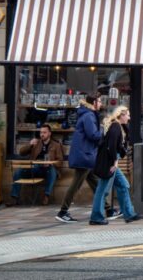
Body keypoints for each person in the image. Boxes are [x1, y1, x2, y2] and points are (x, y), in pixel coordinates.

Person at [55, 95, 116, 223]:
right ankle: (63, 211)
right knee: (75, 185)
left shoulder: (88, 114)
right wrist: (105, 132)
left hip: (87, 155)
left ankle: (108, 209)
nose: (100, 103)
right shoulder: (88, 116)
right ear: (93, 103)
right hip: (85, 156)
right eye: (98, 101)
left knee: (95, 183)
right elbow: (93, 135)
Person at [89, 106, 142, 225]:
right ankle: (96, 217)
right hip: (110, 163)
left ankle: (129, 214)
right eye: (127, 114)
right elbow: (111, 146)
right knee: (102, 190)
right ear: (121, 115)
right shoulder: (116, 127)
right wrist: (114, 162)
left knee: (123, 185)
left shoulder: (118, 127)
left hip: (112, 162)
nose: (129, 117)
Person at [11, 124, 63, 205]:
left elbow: (60, 161)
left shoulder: (56, 145)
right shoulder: (36, 143)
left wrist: (51, 163)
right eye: (41, 132)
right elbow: (21, 152)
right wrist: (30, 145)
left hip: (47, 169)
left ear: (49, 133)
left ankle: (46, 196)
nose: (42, 134)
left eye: (44, 132)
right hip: (35, 168)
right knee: (18, 172)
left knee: (52, 170)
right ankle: (14, 197)